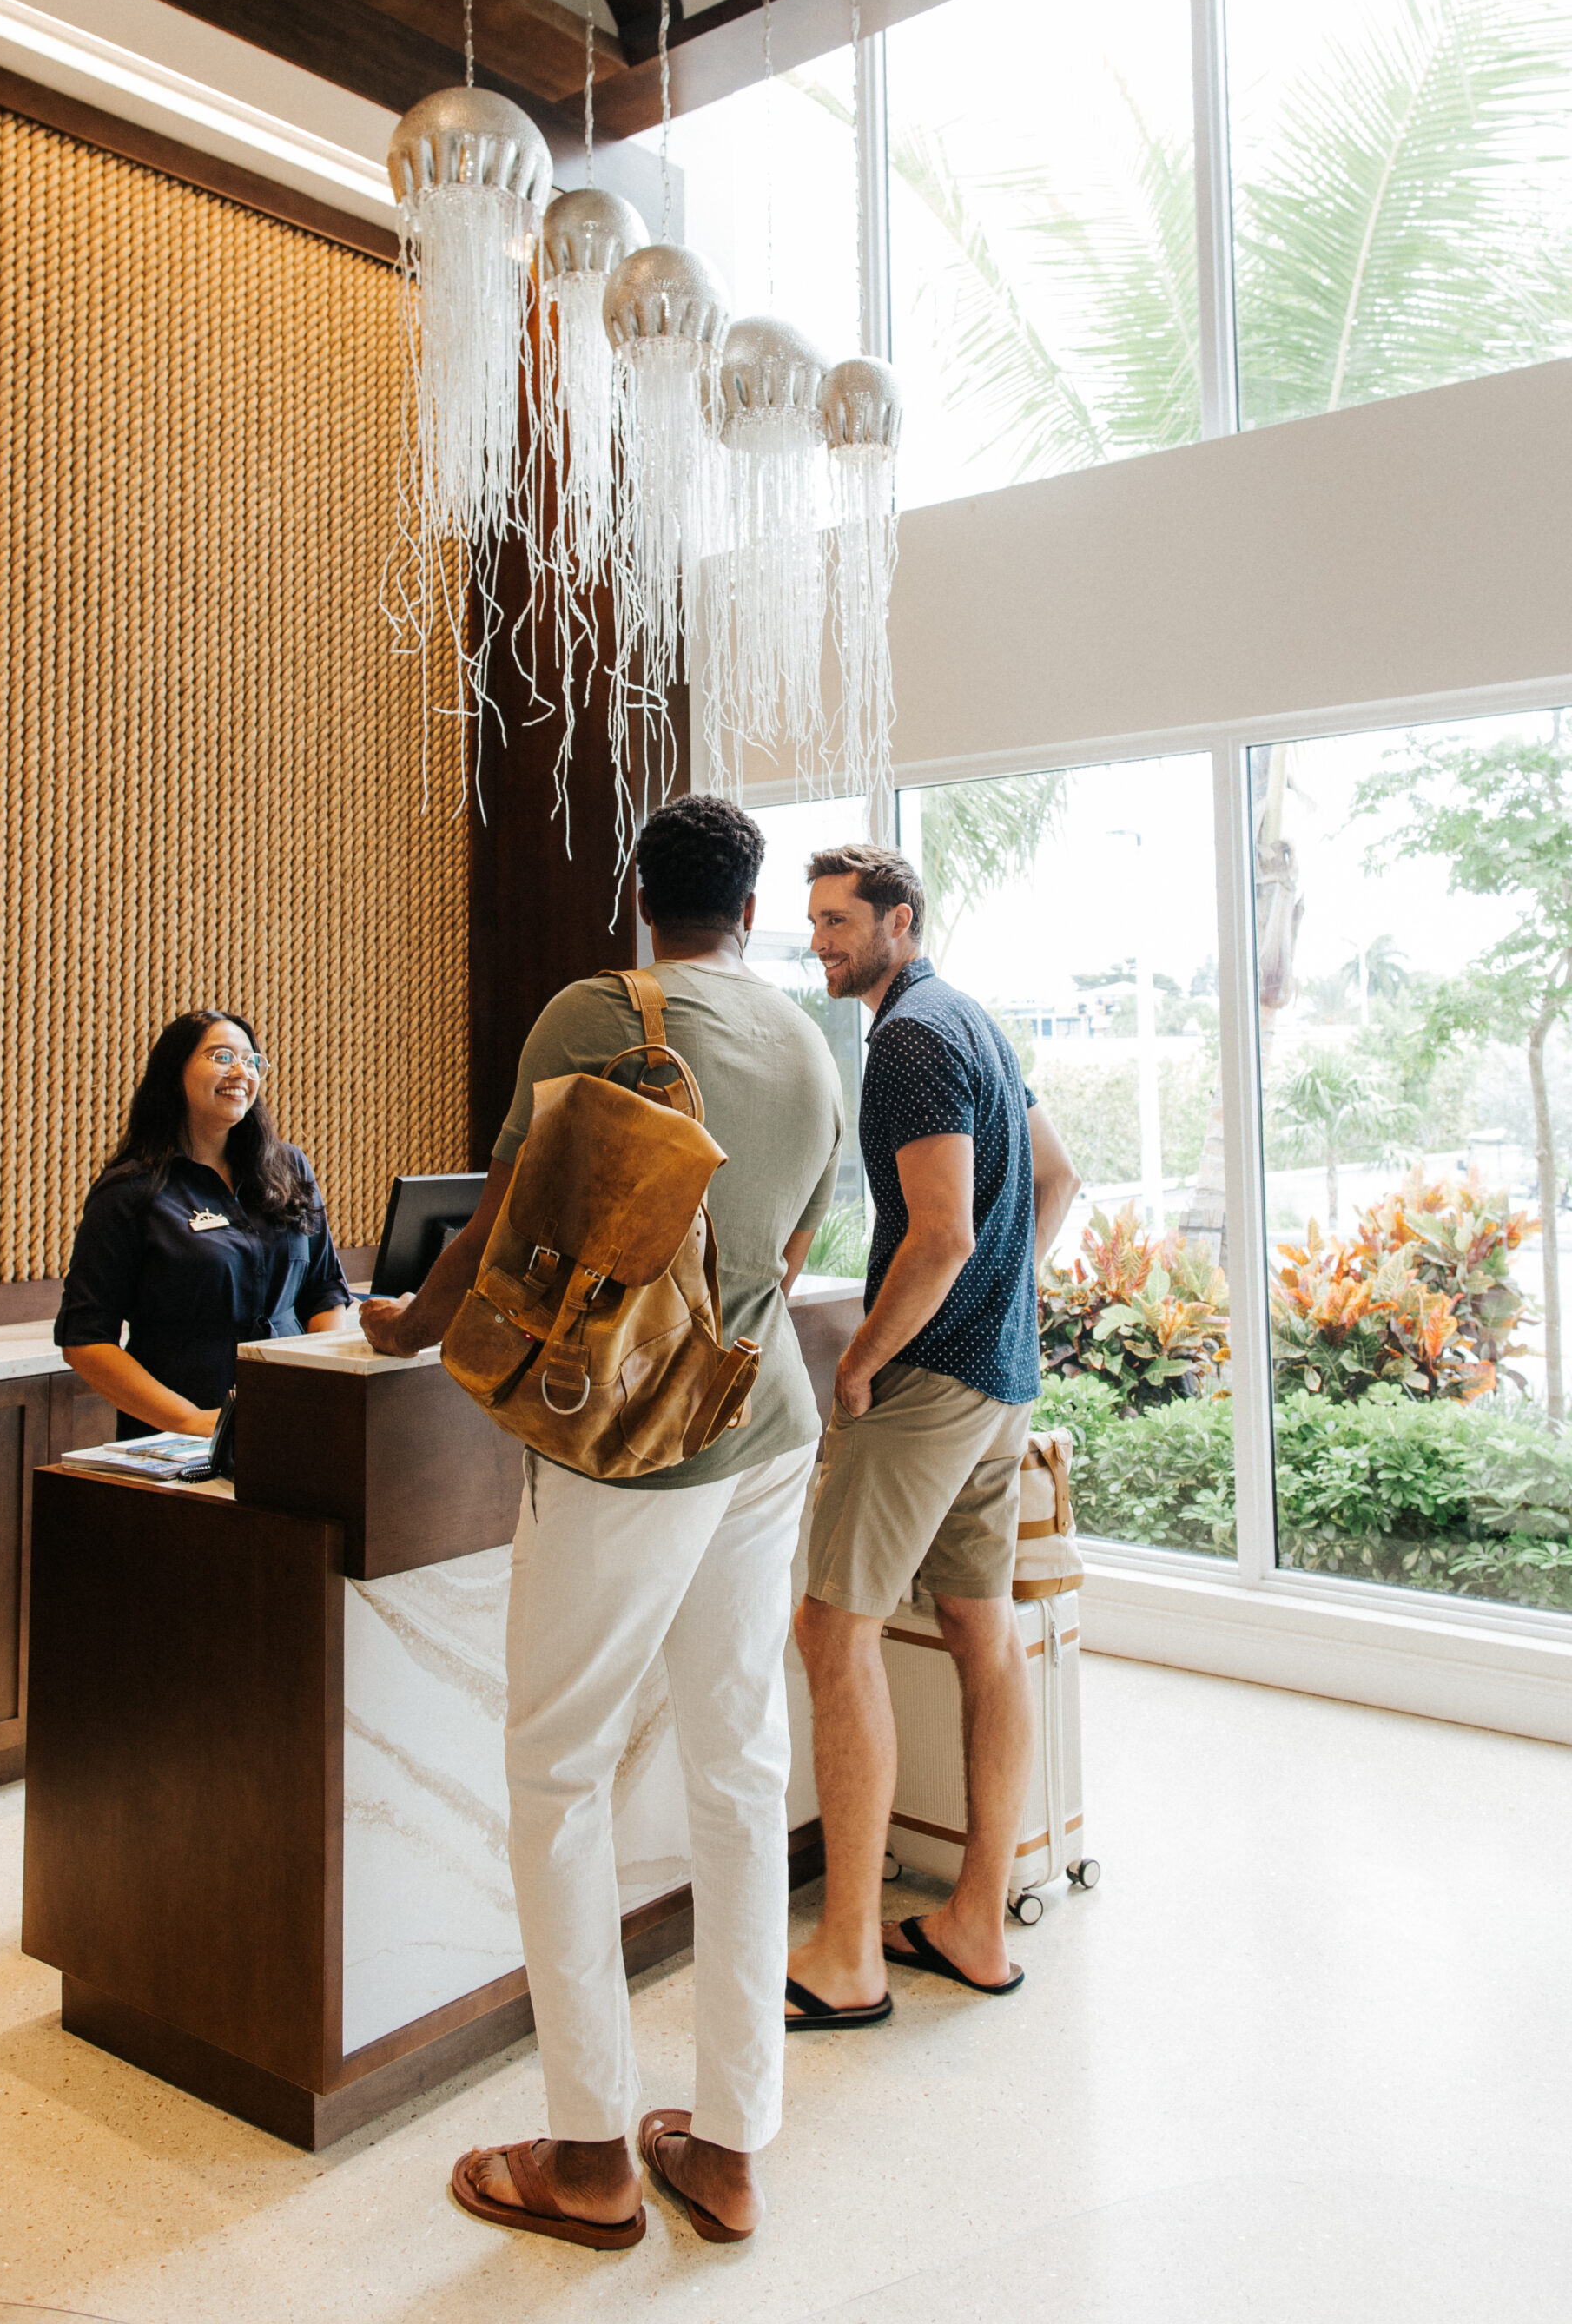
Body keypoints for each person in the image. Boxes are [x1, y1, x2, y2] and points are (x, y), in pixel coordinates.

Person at [360, 794, 845, 2251]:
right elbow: (799, 1242)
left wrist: (406, 1326)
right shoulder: (814, 1045)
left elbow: (508, 1209)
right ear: (751, 909)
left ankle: (588, 2157)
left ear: (643, 897)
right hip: (766, 1432)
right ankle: (732, 2146)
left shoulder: (597, 1010)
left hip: (632, 1449)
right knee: (740, 1774)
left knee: (557, 1774)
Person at [786, 844, 1079, 2028]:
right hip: (1002, 1380)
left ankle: (850, 1956)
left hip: (928, 1384)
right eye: (811, 922)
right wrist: (1005, 1300)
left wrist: (858, 1363)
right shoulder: (974, 1022)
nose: (821, 941)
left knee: (831, 1631)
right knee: (978, 1627)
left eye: (840, 921)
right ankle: (971, 1923)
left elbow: (943, 1234)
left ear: (899, 921)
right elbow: (1057, 1179)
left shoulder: (906, 1040)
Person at [56, 1008, 353, 1436]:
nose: (240, 1071)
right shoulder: (130, 1191)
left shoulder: (289, 1167)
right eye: (221, 1056)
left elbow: (324, 1291)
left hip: (293, 1419)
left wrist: (322, 1381)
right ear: (174, 1072)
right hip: (183, 1436)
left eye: (251, 1061)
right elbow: (85, 1340)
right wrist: (190, 1420)